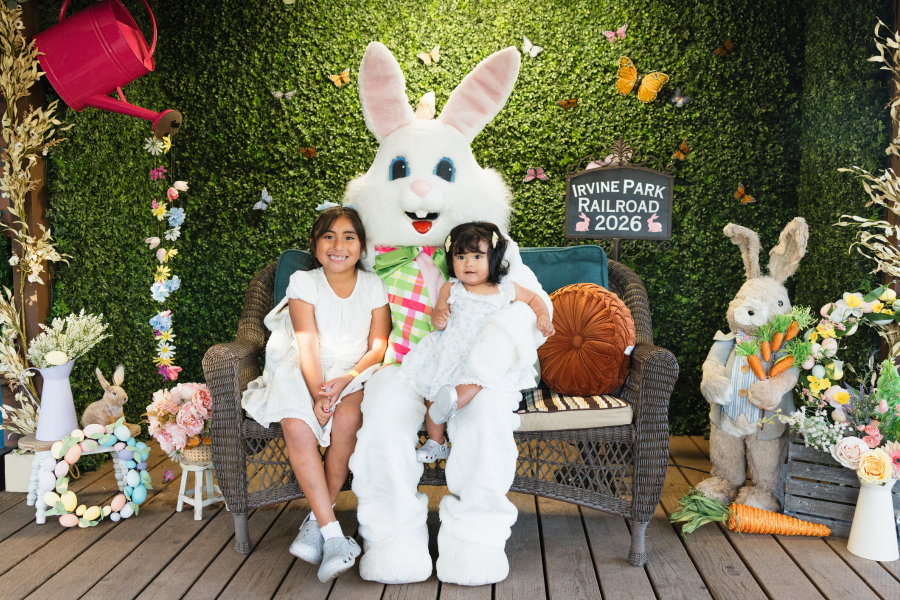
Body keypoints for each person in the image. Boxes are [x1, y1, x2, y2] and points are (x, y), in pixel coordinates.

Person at [242, 206, 390, 582]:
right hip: (304, 368)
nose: (338, 245)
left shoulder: (373, 284)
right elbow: (306, 343)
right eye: (329, 236)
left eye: (349, 237)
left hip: (354, 371)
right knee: (298, 427)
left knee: (348, 420)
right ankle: (334, 535)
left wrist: (345, 381)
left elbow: (378, 345)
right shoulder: (304, 282)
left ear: (362, 245)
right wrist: (317, 393)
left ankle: (315, 523)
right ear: (315, 243)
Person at [398, 222, 555, 463]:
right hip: (450, 350)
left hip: (482, 353)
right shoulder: (452, 287)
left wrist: (542, 317)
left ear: (493, 258)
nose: (468, 263)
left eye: (477, 256)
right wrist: (439, 318)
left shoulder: (504, 288)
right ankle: (436, 441)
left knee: (476, 378)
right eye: (460, 256)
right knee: (431, 387)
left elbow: (534, 298)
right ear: (452, 260)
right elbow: (438, 312)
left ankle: (451, 402)